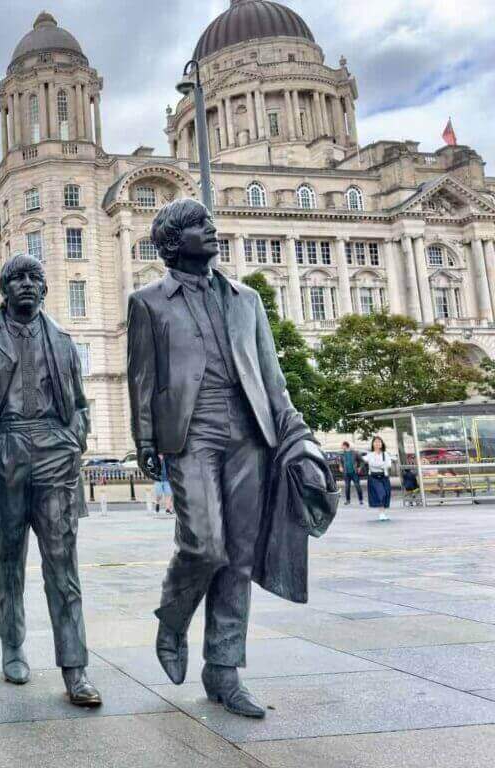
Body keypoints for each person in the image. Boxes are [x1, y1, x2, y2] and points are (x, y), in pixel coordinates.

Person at [127, 198, 322, 720]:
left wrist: (296, 435)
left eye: (208, 222)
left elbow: (270, 376)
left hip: (249, 433)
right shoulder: (148, 301)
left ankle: (225, 669)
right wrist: (145, 440)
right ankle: (172, 619)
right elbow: (142, 377)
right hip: (190, 432)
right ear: (171, 242)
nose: (210, 229)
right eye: (196, 225)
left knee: (238, 555)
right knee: (203, 545)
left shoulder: (247, 299)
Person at [0, 255, 101, 707]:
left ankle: (75, 667)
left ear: (44, 287)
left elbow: (81, 404)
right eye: (16, 278)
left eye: (33, 277)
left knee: (63, 563)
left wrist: (72, 439)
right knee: (7, 558)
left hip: (54, 452)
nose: (25, 284)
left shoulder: (62, 341)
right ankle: (12, 645)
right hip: (4, 451)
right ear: (4, 289)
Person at [363, 436, 395, 509]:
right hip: (374, 477)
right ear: (373, 444)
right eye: (376, 442)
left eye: (379, 442)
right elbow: (370, 464)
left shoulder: (386, 454)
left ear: (382, 444)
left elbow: (389, 465)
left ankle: (383, 512)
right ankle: (381, 513)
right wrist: (382, 464)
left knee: (386, 493)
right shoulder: (370, 455)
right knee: (381, 493)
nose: (377, 443)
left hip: (384, 476)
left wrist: (376, 464)